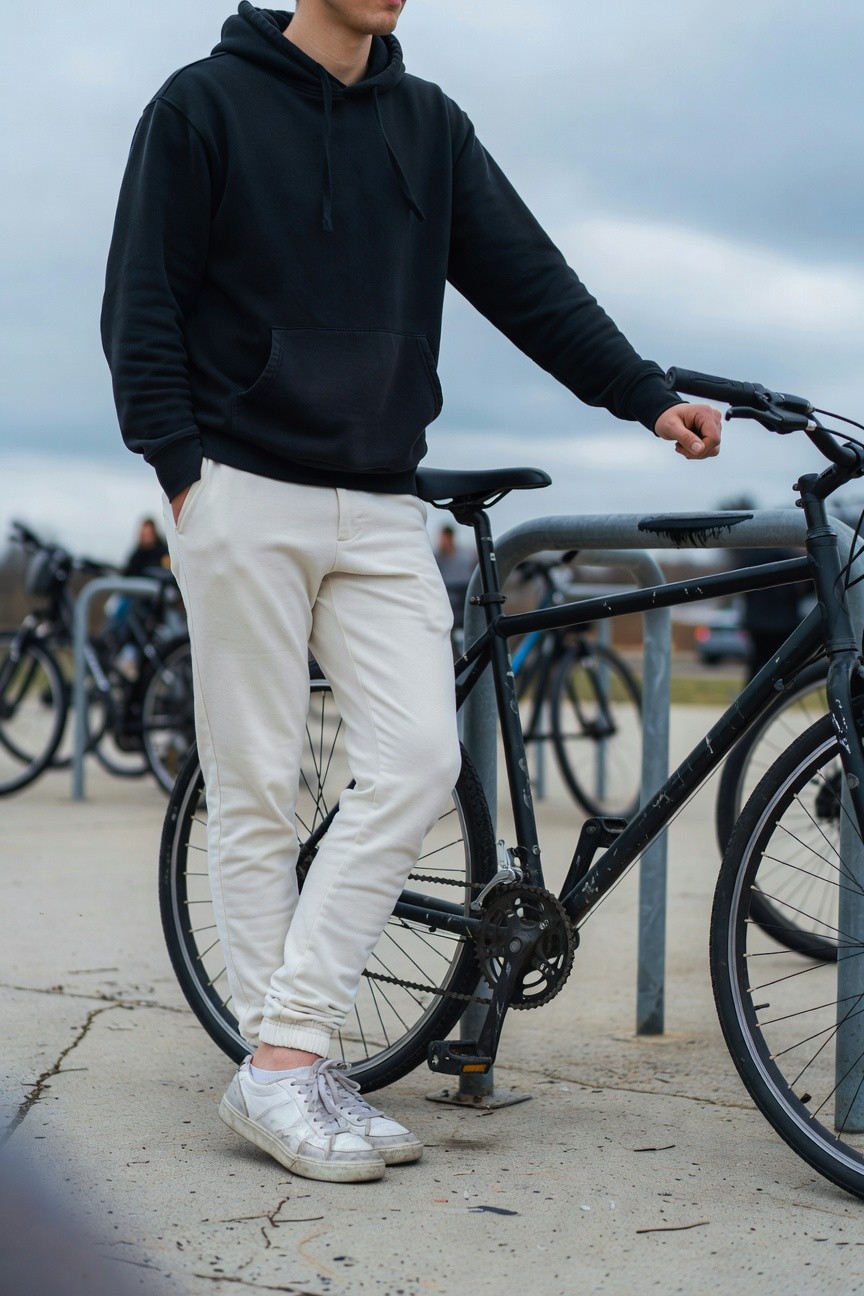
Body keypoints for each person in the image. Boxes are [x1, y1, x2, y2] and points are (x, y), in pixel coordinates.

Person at [101, 0, 721, 1185]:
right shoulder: (201, 104)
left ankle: (285, 1058)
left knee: (418, 763)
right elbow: (140, 305)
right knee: (258, 785)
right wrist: (184, 477)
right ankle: (290, 1066)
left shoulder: (427, 123)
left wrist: (643, 395)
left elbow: (530, 281)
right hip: (240, 488)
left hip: (384, 498)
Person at [434, 524, 476, 641]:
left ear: (450, 537)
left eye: (443, 538)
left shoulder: (465, 556)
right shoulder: (436, 556)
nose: (441, 541)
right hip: (447, 600)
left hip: (463, 598)